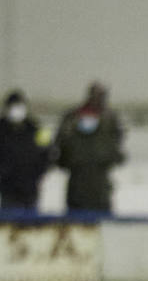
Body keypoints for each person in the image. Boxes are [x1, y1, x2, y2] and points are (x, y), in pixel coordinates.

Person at [54, 82, 125, 214]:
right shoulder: (72, 118)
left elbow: (117, 147)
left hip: (99, 183)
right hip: (79, 182)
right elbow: (62, 147)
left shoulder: (110, 119)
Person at [0, 90, 52, 214]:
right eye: (13, 106)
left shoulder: (37, 128)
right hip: (7, 187)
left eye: (19, 106)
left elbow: (48, 153)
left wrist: (40, 173)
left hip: (30, 187)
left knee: (30, 226)